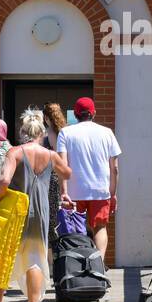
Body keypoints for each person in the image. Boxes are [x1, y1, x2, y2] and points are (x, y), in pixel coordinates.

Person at [0, 108, 71, 302]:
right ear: (41, 133)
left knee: (7, 254)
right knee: (35, 258)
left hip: (17, 209)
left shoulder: (14, 152)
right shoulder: (49, 155)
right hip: (40, 211)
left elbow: (4, 180)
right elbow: (67, 173)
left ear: (23, 132)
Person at [55, 97, 120, 261]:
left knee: (75, 230)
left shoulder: (65, 133)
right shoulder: (107, 132)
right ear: (94, 113)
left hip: (74, 191)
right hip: (100, 191)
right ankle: (98, 266)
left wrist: (64, 191)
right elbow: (115, 168)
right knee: (99, 228)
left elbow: (62, 164)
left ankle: (78, 268)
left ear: (75, 115)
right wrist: (112, 193)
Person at [41, 103, 69, 255]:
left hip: (50, 180)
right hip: (64, 177)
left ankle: (51, 262)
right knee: (62, 218)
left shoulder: (48, 135)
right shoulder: (67, 132)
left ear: (46, 117)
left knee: (51, 220)